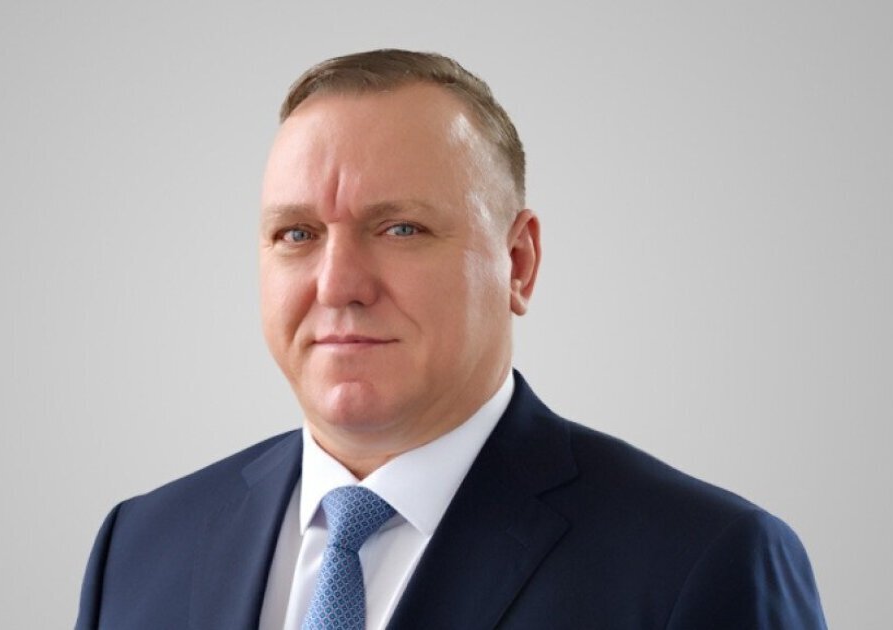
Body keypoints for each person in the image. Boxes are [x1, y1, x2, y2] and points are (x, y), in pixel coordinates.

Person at [76, 49, 828, 629]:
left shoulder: (701, 561)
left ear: (518, 264)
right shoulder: (139, 547)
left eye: (400, 228)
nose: (338, 285)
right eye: (297, 233)